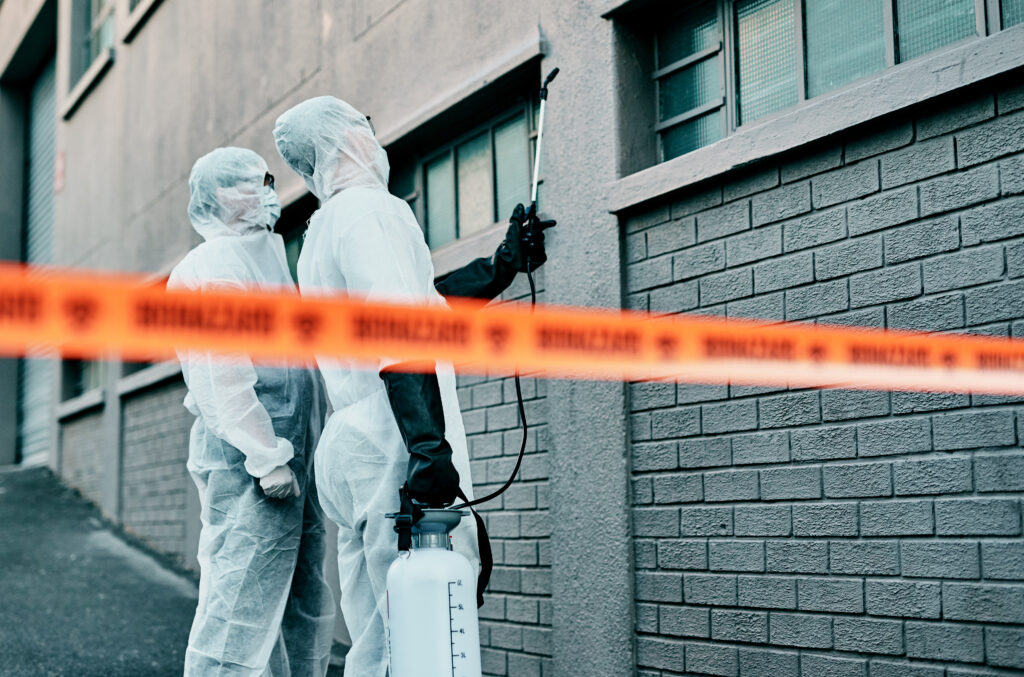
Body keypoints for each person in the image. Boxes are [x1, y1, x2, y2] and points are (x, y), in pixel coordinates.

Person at [272, 96, 553, 676]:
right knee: (425, 632)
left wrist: (500, 267)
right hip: (389, 445)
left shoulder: (324, 227)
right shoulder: (373, 212)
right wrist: (429, 449)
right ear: (345, 140)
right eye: (363, 126)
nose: (373, 135)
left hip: (351, 451)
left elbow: (418, 302)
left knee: (381, 633)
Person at [168, 147, 335, 676]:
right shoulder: (215, 266)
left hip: (294, 457)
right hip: (253, 466)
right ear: (217, 197)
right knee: (240, 602)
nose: (264, 191)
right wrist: (265, 457)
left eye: (266, 179)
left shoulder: (267, 263)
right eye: (248, 183)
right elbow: (221, 374)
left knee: (297, 598)